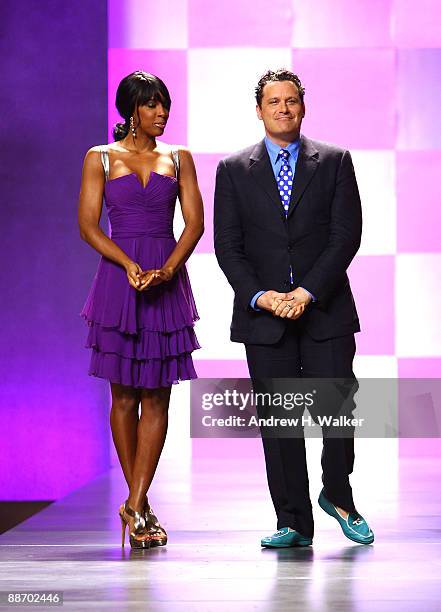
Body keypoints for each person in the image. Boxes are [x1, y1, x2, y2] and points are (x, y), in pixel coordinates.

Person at [214, 68, 374, 547]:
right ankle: (293, 521)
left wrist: (306, 292)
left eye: (291, 101)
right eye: (274, 102)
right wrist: (262, 297)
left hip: (324, 310)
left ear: (303, 107)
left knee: (337, 409)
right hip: (265, 317)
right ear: (259, 110)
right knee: (279, 424)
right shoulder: (232, 169)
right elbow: (228, 245)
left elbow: (345, 236)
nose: (283, 109)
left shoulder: (334, 161)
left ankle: (339, 496)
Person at [78, 71, 204, 549]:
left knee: (158, 397)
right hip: (119, 281)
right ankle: (140, 506)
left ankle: (134, 501)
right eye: (152, 105)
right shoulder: (100, 158)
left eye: (164, 105)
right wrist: (129, 263)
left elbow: (194, 223)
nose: (161, 113)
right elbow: (88, 226)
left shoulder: (179, 158)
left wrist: (169, 270)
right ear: (132, 110)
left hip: (165, 281)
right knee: (125, 398)